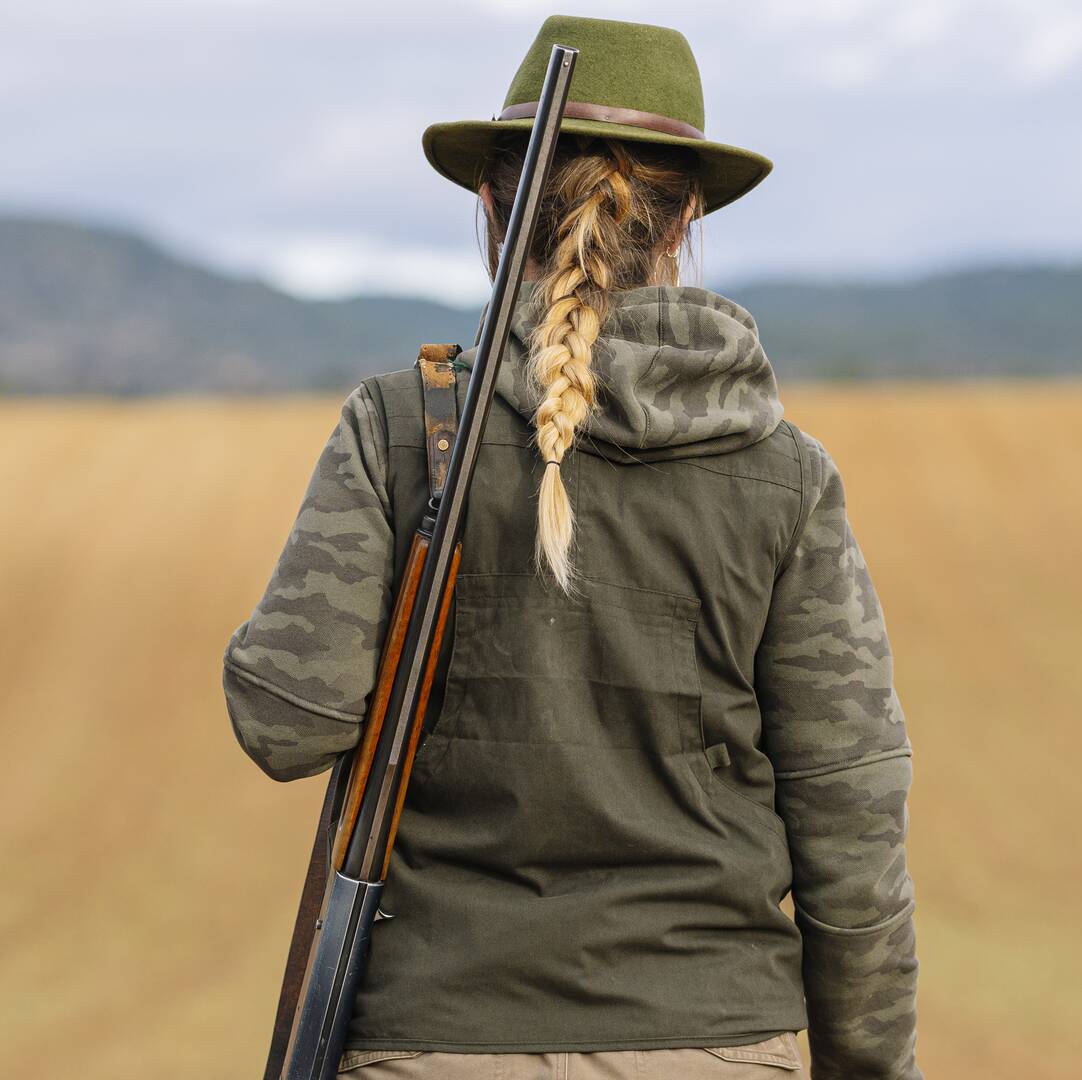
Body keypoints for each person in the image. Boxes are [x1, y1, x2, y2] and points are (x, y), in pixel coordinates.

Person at [222, 15, 919, 1079]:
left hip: (433, 1042)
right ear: (684, 218)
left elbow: (283, 720)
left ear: (495, 205)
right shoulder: (788, 477)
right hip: (719, 1041)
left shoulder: (401, 429)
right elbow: (853, 816)